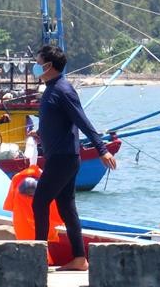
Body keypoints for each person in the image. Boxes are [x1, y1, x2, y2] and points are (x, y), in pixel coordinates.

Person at [31, 45, 117, 271]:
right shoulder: (51, 89)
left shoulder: (63, 90)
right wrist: (40, 134)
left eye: (38, 62)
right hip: (60, 157)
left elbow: (82, 121)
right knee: (66, 207)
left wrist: (102, 149)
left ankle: (38, 258)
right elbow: (57, 123)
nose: (35, 66)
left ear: (48, 66)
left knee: (39, 201)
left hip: (63, 158)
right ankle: (79, 258)